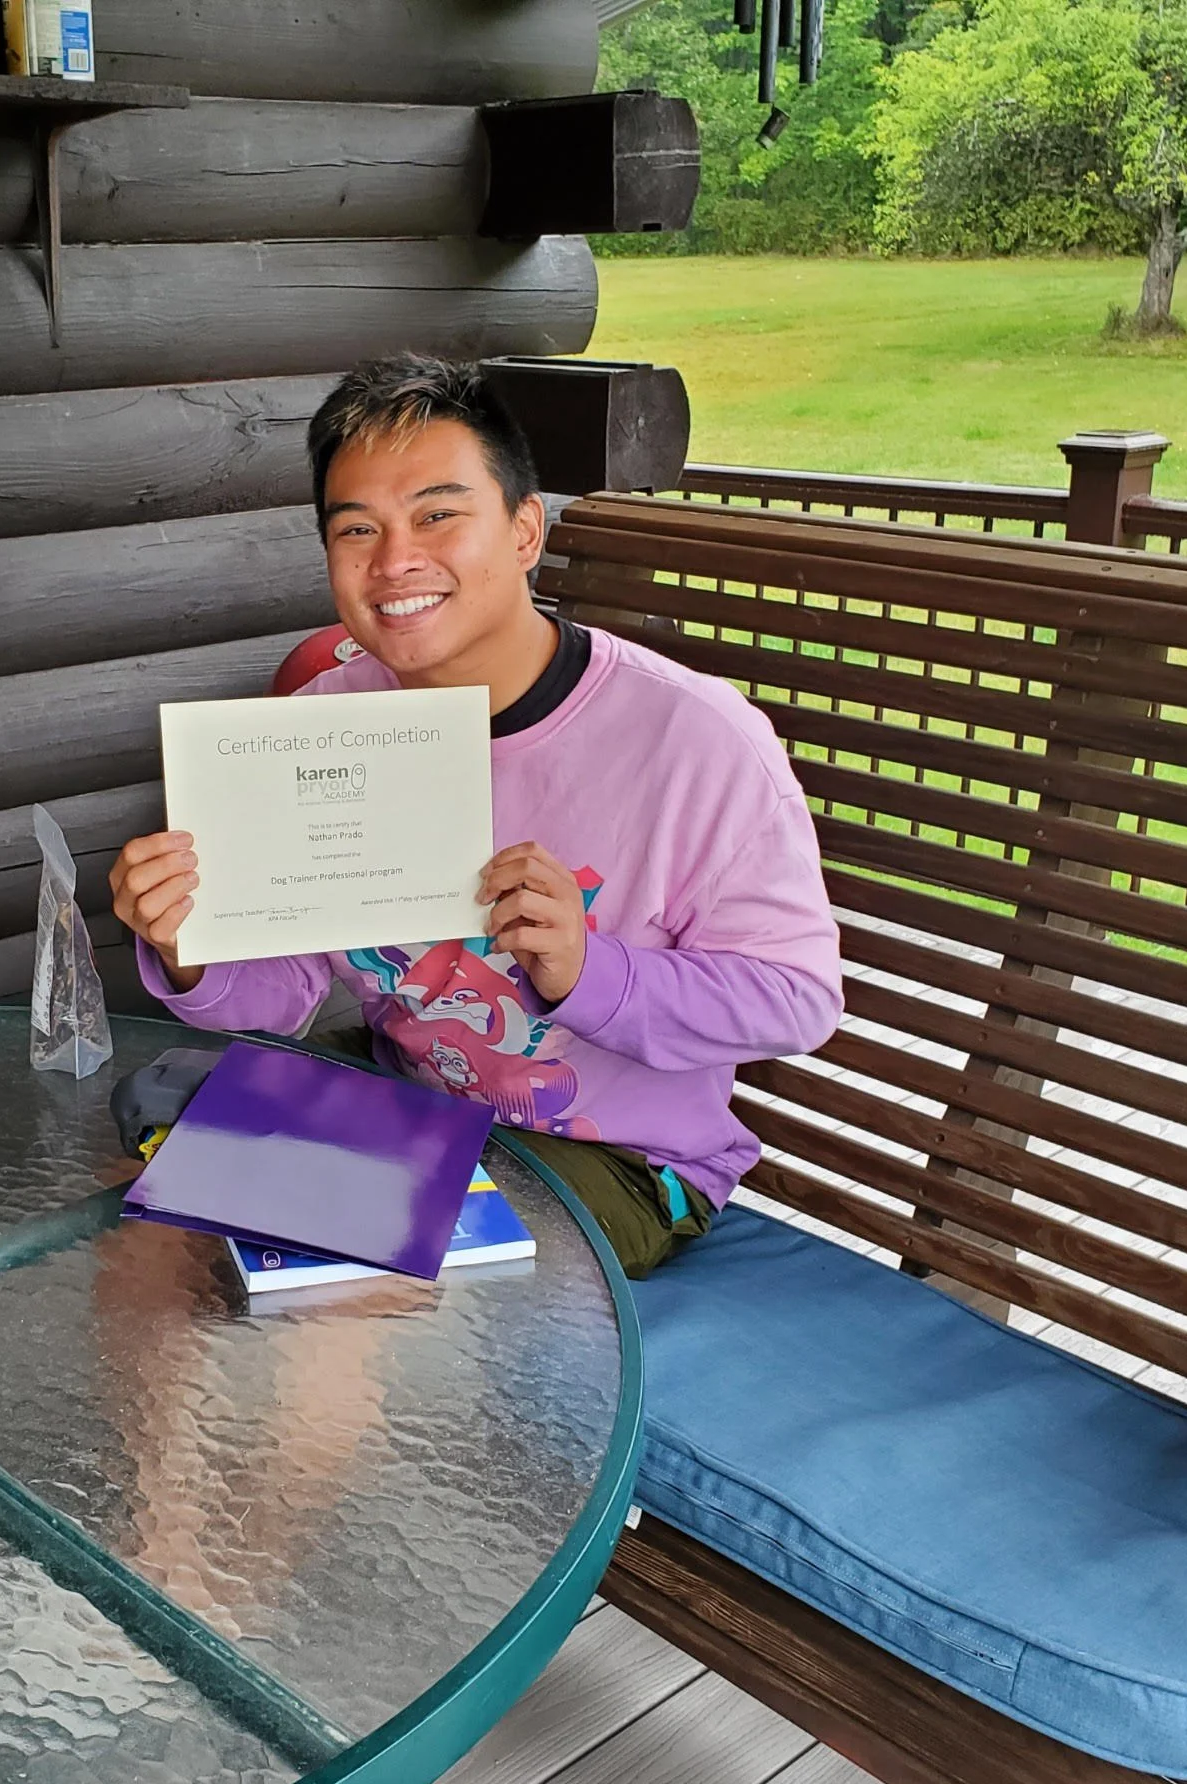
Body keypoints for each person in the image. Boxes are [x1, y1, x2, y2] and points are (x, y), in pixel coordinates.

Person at [110, 353, 842, 1278]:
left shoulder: (695, 741)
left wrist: (590, 974)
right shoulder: (326, 725)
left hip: (612, 1156)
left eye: (438, 515)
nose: (395, 561)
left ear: (526, 529)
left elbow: (800, 1001)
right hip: (412, 1096)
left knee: (344, 1283)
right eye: (356, 529)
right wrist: (192, 941)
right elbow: (280, 996)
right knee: (157, 1206)